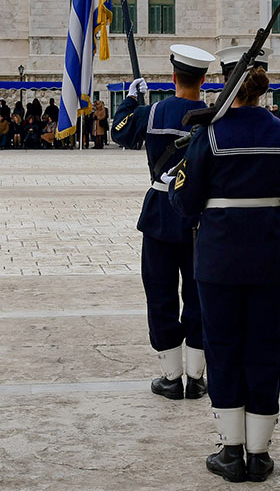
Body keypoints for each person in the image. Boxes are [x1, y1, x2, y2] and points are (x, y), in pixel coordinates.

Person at [169, 66, 280, 483]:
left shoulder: (208, 136)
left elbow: (187, 202)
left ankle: (231, 449)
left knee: (224, 347)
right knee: (265, 348)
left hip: (219, 262)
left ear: (226, 86)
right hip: (271, 262)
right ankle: (260, 452)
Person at [110, 45, 216, 401]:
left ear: (173, 77)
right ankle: (196, 376)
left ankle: (170, 376)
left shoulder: (153, 113)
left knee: (160, 293)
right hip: (200, 217)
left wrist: (130, 101)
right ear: (202, 80)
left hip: (159, 215)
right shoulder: (211, 117)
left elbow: (120, 132)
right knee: (200, 295)